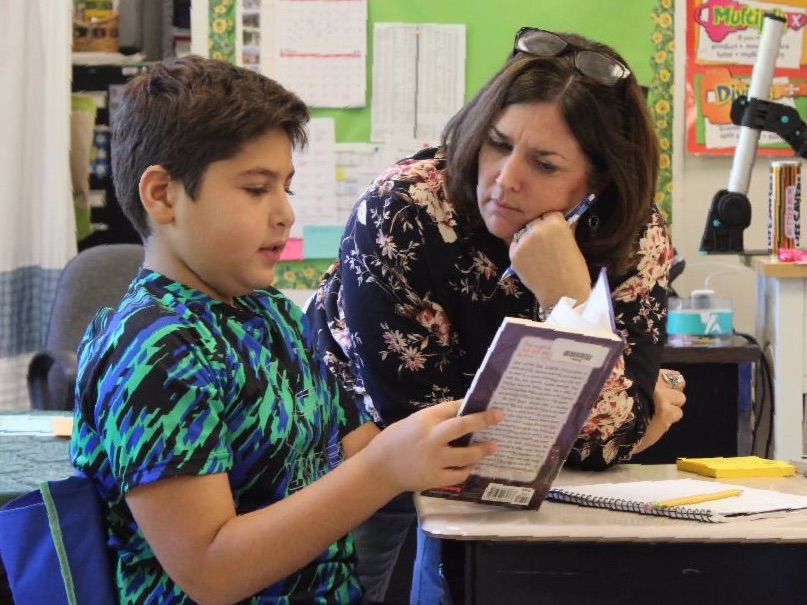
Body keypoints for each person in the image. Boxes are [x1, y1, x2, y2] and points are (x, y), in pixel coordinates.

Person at [68, 55, 504, 605]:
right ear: (162, 195)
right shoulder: (152, 351)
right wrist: (383, 469)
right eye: (256, 189)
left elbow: (352, 445)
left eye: (287, 189)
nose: (284, 215)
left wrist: (451, 447)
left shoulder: (269, 311)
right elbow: (211, 570)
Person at [305, 27, 685, 604]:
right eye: (498, 144)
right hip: (351, 454)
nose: (506, 180)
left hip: (524, 493)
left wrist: (570, 300)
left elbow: (607, 443)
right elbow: (432, 442)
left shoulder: (636, 235)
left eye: (545, 163)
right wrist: (618, 406)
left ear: (599, 179)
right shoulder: (404, 208)